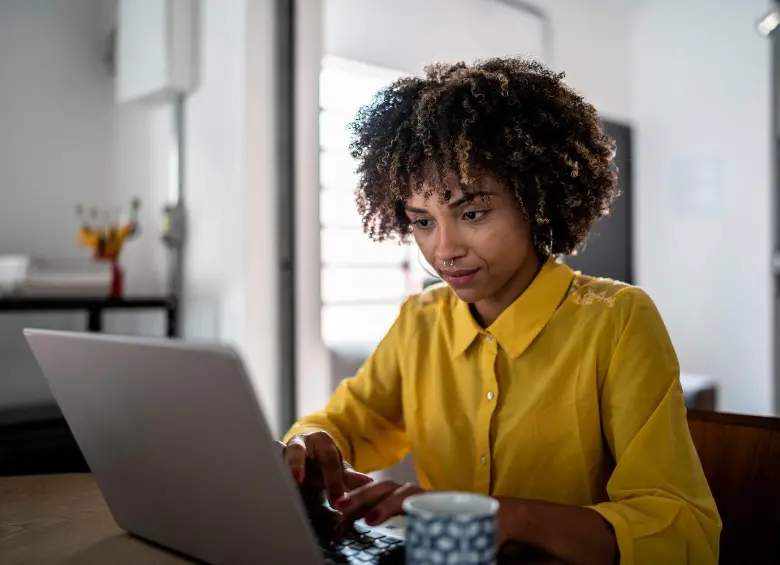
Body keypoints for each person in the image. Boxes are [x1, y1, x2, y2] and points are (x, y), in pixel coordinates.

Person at [283, 57, 721, 564]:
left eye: (471, 213)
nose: (444, 250)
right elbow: (349, 424)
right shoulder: (420, 322)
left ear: (536, 199)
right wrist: (310, 445)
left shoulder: (617, 320)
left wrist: (515, 516)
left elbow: (684, 529)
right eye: (422, 221)